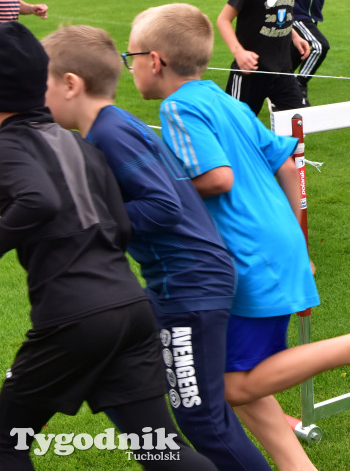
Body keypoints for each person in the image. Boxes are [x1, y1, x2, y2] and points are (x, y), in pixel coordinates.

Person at [127, 3, 350, 471]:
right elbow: (287, 163)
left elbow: (217, 179)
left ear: (155, 61)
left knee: (233, 385)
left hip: (246, 257)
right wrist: (295, 236)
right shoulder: (224, 100)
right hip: (275, 244)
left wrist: (153, 188)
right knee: (243, 382)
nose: (129, 65)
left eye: (130, 55)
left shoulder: (177, 108)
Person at [41, 25, 272, 471]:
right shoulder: (112, 125)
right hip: (180, 282)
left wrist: (95, 225)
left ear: (71, 85)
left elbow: (162, 206)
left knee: (201, 414)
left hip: (190, 283)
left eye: (42, 85)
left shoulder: (110, 133)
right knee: (196, 408)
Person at [0, 21, 215, 471]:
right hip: (128, 308)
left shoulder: (10, 144)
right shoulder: (78, 146)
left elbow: (37, 198)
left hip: (74, 319)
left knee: (6, 440)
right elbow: (117, 222)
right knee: (161, 449)